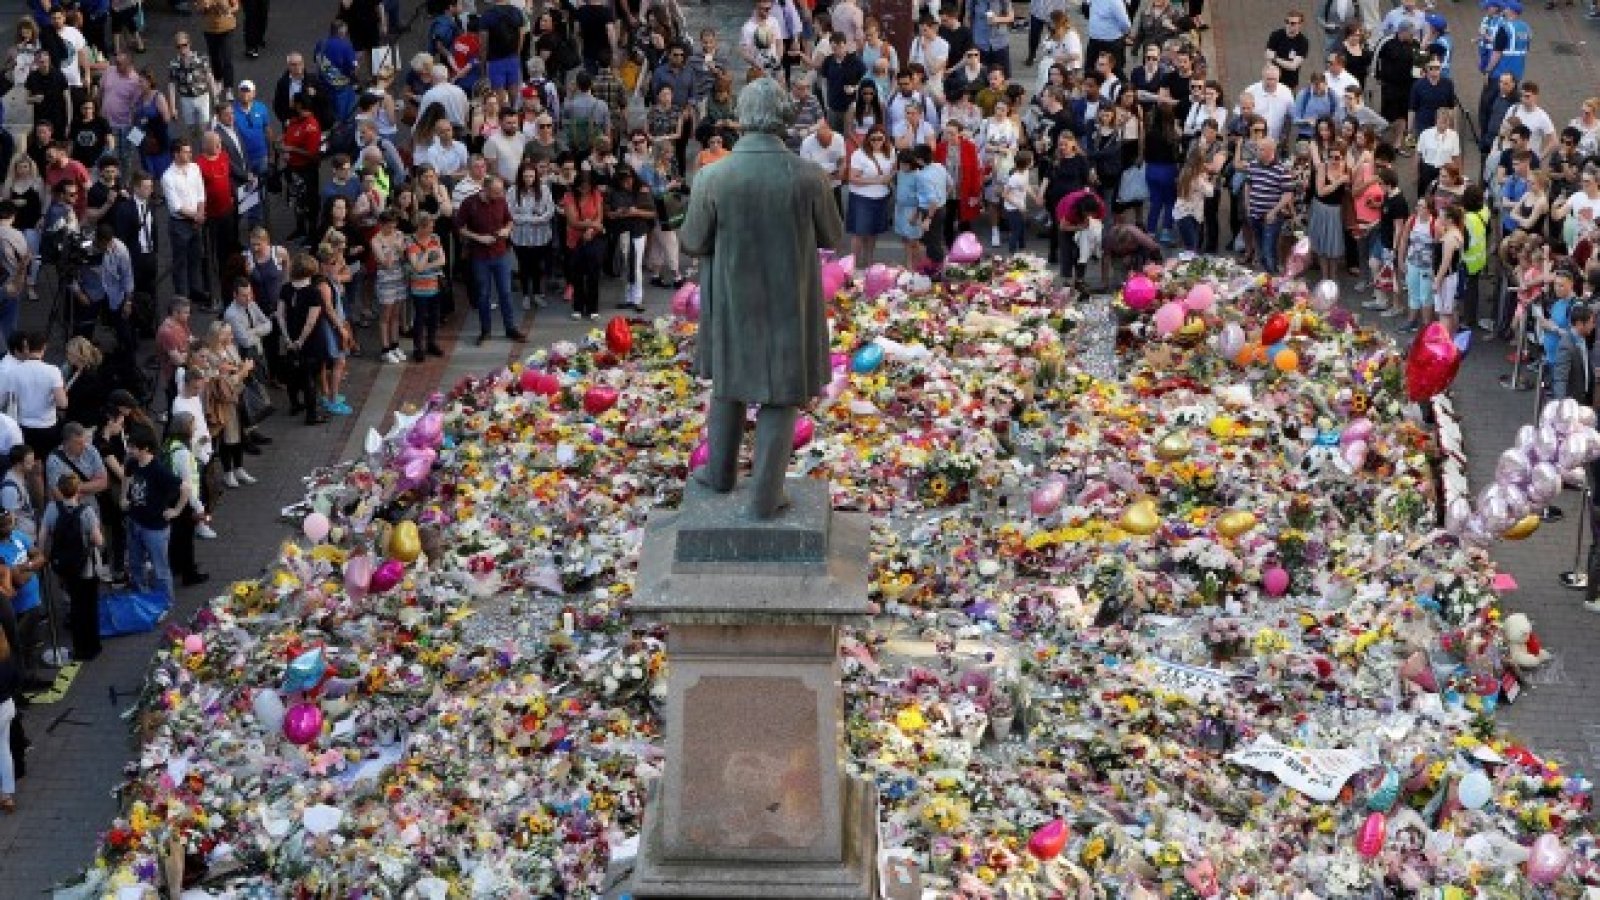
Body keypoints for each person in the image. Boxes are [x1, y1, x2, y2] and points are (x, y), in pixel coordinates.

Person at [679, 77, 844, 519]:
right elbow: (832, 236)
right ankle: (766, 495)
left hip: (731, 298)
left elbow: (692, 240)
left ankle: (720, 473)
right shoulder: (809, 175)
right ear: (783, 117)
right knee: (781, 393)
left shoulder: (713, 175)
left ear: (742, 116)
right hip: (790, 298)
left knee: (729, 384)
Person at [40, 471, 104, 662]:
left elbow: (43, 535)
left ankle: (79, 648)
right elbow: (98, 540)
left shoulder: (52, 508)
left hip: (65, 566)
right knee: (89, 607)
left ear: (60, 490)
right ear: (78, 490)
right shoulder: (86, 511)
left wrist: (42, 555)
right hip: (86, 567)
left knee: (75, 606)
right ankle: (92, 647)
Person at [457, 175, 527, 345]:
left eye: (501, 191)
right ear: (486, 190)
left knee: (506, 292)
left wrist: (506, 230)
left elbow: (509, 220)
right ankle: (485, 330)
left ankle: (510, 328)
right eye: (496, 192)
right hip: (480, 256)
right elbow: (460, 227)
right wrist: (479, 237)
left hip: (501, 253)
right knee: (483, 294)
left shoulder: (501, 201)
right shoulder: (469, 203)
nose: (500, 194)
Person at [121, 425, 184, 599]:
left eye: (133, 447)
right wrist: (123, 497)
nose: (129, 450)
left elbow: (185, 488)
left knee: (160, 569)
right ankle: (142, 599)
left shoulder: (159, 470)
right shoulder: (132, 463)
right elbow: (126, 476)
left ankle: (165, 602)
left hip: (155, 528)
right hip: (135, 522)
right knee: (135, 565)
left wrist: (176, 510)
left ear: (146, 448)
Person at [160, 139, 207, 308]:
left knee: (196, 257)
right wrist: (196, 216)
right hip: (180, 224)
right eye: (186, 152)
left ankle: (196, 290)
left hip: (196, 220)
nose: (190, 154)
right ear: (176, 154)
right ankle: (182, 297)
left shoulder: (195, 168)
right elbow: (176, 207)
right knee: (180, 262)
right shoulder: (168, 177)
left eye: (189, 151)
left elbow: (201, 193)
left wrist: (199, 213)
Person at [846, 125, 895, 264]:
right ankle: (853, 264)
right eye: (873, 139)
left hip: (881, 197)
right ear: (868, 139)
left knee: (873, 232)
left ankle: (869, 261)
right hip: (862, 198)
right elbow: (852, 178)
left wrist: (889, 177)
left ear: (885, 139)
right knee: (859, 233)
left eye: (880, 138)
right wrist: (877, 180)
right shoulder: (859, 154)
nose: (876, 141)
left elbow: (893, 169)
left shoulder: (890, 151)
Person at [1246, 139, 1294, 276]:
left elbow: (1288, 194)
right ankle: (1263, 278)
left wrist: (1274, 211)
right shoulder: (1253, 165)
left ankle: (1272, 277)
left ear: (1270, 151)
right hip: (1254, 213)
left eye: (1261, 149)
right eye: (1258, 149)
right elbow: (1248, 185)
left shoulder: (1282, 169)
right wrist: (1248, 205)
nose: (1257, 152)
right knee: (1259, 247)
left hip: (1271, 217)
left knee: (1268, 249)